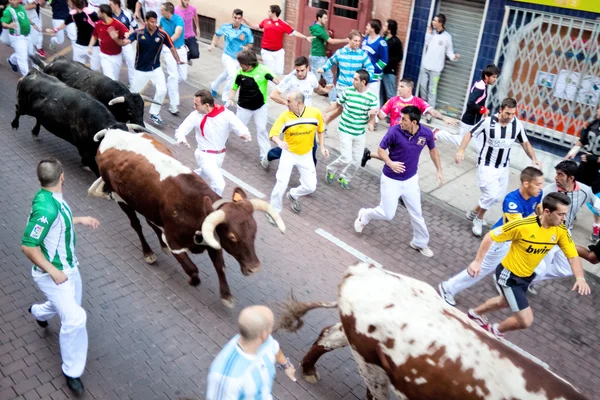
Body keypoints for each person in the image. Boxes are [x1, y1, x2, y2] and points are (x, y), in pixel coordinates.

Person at [21, 158, 100, 394]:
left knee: (67, 306)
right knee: (75, 318)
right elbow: (28, 246)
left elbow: (59, 222)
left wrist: (80, 220)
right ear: (62, 177)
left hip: (69, 268)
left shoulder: (49, 199)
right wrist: (53, 271)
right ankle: (72, 372)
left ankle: (39, 312)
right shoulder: (46, 209)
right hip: (54, 274)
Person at [465, 192, 590, 339]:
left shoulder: (560, 230)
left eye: (565, 214)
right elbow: (490, 236)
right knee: (526, 320)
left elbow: (572, 255)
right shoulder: (523, 226)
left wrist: (580, 278)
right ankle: (495, 331)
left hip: (528, 276)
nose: (564, 218)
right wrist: (477, 261)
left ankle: (474, 314)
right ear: (547, 211)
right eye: (561, 214)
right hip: (509, 275)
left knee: (504, 301)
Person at [438, 167, 545, 306]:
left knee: (540, 267)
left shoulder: (538, 193)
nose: (541, 188)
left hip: (515, 241)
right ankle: (448, 288)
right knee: (480, 269)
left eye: (541, 184)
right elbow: (520, 228)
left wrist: (543, 219)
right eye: (538, 184)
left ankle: (501, 277)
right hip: (501, 241)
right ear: (526, 183)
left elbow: (538, 209)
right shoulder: (512, 201)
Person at [354, 106, 443, 258]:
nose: (400, 121)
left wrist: (439, 170)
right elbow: (381, 150)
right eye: (401, 117)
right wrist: (390, 163)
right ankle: (365, 215)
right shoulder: (394, 131)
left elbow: (433, 150)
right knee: (387, 214)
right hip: (390, 179)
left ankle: (420, 243)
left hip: (410, 180)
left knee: (417, 213)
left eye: (404, 119)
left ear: (414, 122)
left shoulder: (426, 133)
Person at [456, 97, 540, 237]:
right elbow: (469, 133)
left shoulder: (516, 125)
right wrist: (461, 150)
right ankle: (479, 218)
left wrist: (534, 159)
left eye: (513, 114)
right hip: (487, 165)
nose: (510, 117)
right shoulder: (488, 122)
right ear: (500, 110)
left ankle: (475, 211)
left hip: (503, 167)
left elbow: (525, 143)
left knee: (498, 197)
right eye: (507, 113)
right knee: (491, 194)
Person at [526, 160, 600, 293]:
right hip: (549, 232)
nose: (556, 177)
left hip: (566, 232)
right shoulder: (549, 190)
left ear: (571, 178)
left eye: (560, 174)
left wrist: (598, 205)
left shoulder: (585, 190)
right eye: (556, 173)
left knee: (566, 268)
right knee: (542, 265)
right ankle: (518, 280)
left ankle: (529, 279)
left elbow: (594, 200)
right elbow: (538, 210)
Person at [206, 305, 296, 399]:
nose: (272, 330)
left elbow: (274, 349)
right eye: (271, 326)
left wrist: (286, 365)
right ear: (263, 334)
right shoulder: (225, 376)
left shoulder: (266, 341)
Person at [362, 78, 455, 167]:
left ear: (409, 89)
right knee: (397, 159)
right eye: (399, 86)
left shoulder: (418, 101)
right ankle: (388, 171)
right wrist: (372, 113)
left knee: (398, 158)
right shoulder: (392, 101)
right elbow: (381, 116)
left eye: (402, 87)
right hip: (395, 135)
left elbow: (432, 111)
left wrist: (444, 118)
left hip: (411, 136)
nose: (399, 89)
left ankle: (369, 154)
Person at [174, 90, 251, 196]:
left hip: (220, 155)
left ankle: (179, 182)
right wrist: (181, 138)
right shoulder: (195, 115)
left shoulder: (226, 114)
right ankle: (211, 206)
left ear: (206, 105)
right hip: (204, 155)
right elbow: (181, 130)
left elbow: (240, 127)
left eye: (196, 104)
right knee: (219, 184)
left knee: (201, 176)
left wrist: (244, 134)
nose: (193, 106)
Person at [269, 91, 328, 216]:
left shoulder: (315, 113)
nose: (286, 103)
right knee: (281, 183)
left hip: (306, 155)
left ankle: (293, 194)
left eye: (289, 101)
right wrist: (279, 141)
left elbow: (321, 130)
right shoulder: (284, 116)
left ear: (299, 103)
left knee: (311, 187)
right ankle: (273, 211)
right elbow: (273, 133)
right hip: (289, 154)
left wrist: (322, 146)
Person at [267, 55, 332, 166]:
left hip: (308, 117)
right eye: (297, 70)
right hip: (294, 118)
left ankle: (311, 173)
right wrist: (286, 103)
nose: (300, 73)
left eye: (302, 70)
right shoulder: (290, 78)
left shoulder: (312, 77)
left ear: (307, 68)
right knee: (290, 147)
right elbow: (273, 95)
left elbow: (317, 89)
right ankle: (270, 156)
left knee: (312, 146)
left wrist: (325, 90)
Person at [324, 69, 378, 190]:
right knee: (346, 158)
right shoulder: (347, 92)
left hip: (359, 133)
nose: (352, 81)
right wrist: (324, 111)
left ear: (363, 82)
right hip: (345, 130)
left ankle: (345, 177)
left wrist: (371, 123)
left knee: (357, 161)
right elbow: (337, 105)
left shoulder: (372, 97)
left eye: (355, 79)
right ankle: (330, 169)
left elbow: (373, 115)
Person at [129, 10, 183, 126]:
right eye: (151, 22)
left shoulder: (162, 34)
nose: (154, 24)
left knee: (162, 89)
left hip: (156, 68)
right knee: (133, 94)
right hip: (140, 69)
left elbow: (172, 47)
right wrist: (117, 39)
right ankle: (127, 112)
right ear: (146, 21)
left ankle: (154, 113)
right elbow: (126, 41)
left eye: (155, 22)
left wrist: (178, 60)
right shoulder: (138, 32)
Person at [226, 50, 279, 168]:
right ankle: (222, 137)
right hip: (244, 107)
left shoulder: (263, 70)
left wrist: (281, 84)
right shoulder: (240, 72)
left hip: (260, 107)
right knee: (236, 127)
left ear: (249, 64)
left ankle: (264, 155)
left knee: (262, 130)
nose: (240, 66)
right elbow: (234, 87)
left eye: (242, 64)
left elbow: (276, 80)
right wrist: (230, 98)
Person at [435, 64, 500, 148]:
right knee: (460, 142)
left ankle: (485, 159)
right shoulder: (480, 88)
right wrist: (483, 110)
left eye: (496, 77)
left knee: (481, 142)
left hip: (475, 121)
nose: (495, 79)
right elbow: (470, 103)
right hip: (469, 121)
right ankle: (438, 133)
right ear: (486, 76)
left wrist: (483, 110)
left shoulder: (481, 84)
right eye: (494, 77)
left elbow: (477, 102)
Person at [244, 4, 312, 76]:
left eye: (269, 11)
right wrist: (246, 21)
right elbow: (256, 27)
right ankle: (271, 85)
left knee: (279, 72)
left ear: (274, 13)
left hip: (278, 52)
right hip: (267, 51)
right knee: (270, 72)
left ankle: (267, 78)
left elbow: (293, 32)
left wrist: (305, 37)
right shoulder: (265, 21)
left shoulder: (282, 24)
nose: (268, 12)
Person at [564, 107, 600, 241]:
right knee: (574, 191)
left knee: (597, 200)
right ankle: (570, 216)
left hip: (598, 171)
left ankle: (597, 228)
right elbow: (582, 140)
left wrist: (594, 158)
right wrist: (571, 153)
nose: (597, 111)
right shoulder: (593, 124)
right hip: (585, 167)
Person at [208, 9, 253, 102]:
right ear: (233, 17)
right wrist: (212, 44)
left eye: (239, 18)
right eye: (235, 18)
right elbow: (217, 35)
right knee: (233, 76)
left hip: (239, 59)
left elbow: (250, 44)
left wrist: (246, 48)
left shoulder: (246, 30)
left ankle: (214, 86)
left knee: (226, 74)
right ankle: (226, 97)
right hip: (227, 56)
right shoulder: (226, 27)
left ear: (242, 19)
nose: (237, 20)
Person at [418, 14, 459, 113]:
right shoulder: (431, 33)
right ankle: (424, 108)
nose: (433, 22)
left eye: (435, 20)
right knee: (422, 87)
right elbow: (427, 44)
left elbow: (449, 52)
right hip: (425, 66)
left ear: (440, 23)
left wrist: (454, 57)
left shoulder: (447, 37)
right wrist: (428, 33)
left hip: (436, 69)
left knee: (432, 90)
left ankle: (431, 112)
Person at [317, 30, 374, 98]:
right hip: (342, 86)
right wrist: (323, 68)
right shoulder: (340, 52)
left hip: (355, 87)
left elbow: (370, 68)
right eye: (355, 41)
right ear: (349, 40)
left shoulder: (362, 54)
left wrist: (367, 78)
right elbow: (330, 62)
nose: (357, 43)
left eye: (359, 41)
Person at [49, 0, 101, 72]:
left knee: (96, 69)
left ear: (73, 3)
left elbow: (101, 22)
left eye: (69, 2)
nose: (67, 3)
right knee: (77, 68)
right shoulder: (72, 14)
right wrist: (56, 30)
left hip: (93, 46)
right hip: (79, 45)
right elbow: (65, 23)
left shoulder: (89, 13)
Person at [308, 9, 348, 103]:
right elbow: (331, 41)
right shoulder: (318, 29)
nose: (326, 20)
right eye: (325, 18)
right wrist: (346, 40)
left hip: (318, 56)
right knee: (327, 77)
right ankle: (333, 100)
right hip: (318, 57)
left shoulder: (318, 26)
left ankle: (305, 94)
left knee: (315, 79)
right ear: (319, 18)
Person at [159, 1, 187, 115]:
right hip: (168, 50)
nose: (160, 12)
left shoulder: (179, 20)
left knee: (183, 77)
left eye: (162, 10)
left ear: (168, 12)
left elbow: (177, 34)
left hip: (180, 49)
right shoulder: (162, 19)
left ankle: (170, 85)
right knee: (173, 76)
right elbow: (159, 30)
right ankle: (173, 105)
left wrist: (168, 41)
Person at [88, 4, 129, 80]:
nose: (97, 14)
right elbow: (94, 36)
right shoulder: (98, 24)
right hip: (104, 56)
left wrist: (125, 36)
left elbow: (127, 33)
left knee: (115, 78)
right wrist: (90, 46)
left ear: (103, 14)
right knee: (109, 77)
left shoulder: (118, 24)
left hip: (117, 56)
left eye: (99, 12)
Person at [1, 0, 37, 76]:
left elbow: (25, 17)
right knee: (23, 59)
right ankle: (28, 79)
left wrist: (33, 24)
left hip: (27, 35)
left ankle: (12, 61)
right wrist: (9, 25)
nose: (12, 1)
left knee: (30, 53)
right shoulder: (8, 11)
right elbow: (3, 22)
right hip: (17, 38)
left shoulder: (21, 7)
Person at [110, 0, 137, 85]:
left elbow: (136, 28)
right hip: (114, 45)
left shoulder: (127, 14)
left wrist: (130, 37)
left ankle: (133, 85)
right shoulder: (109, 16)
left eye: (110, 5)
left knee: (131, 64)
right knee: (114, 66)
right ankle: (114, 85)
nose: (109, 6)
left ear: (116, 5)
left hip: (125, 44)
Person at [361, 19, 388, 101]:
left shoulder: (381, 43)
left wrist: (373, 68)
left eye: (368, 25)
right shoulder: (365, 39)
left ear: (373, 28)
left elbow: (384, 61)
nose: (366, 27)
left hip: (374, 77)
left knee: (373, 99)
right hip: (363, 74)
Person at [381, 19, 402, 107]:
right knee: (380, 93)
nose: (383, 27)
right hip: (381, 70)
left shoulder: (396, 41)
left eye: (385, 26)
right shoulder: (383, 39)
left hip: (389, 71)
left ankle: (393, 113)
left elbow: (399, 57)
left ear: (389, 29)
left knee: (390, 94)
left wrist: (387, 61)